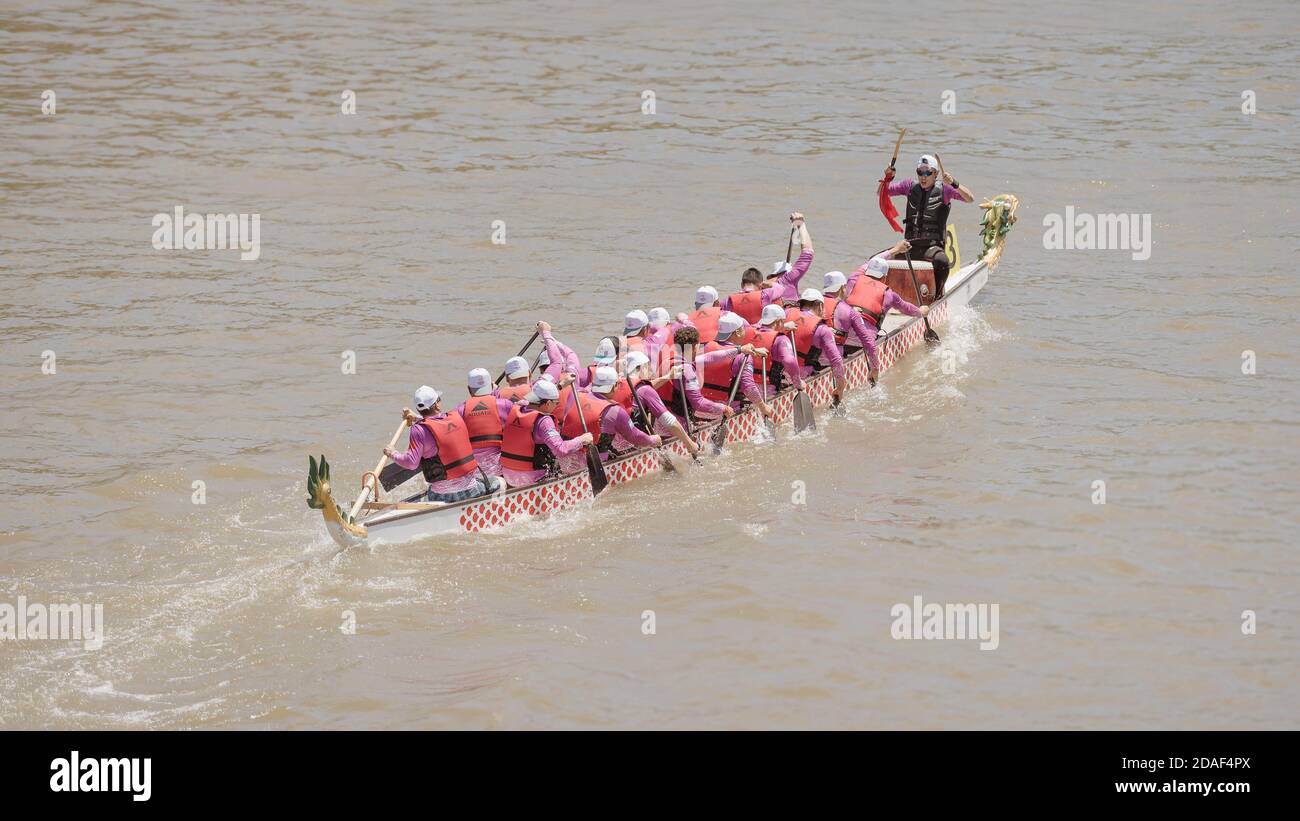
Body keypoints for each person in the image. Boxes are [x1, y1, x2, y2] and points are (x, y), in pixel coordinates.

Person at [878, 154, 973, 297]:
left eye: (927, 172)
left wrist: (953, 182)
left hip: (931, 247)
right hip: (909, 246)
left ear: (935, 174)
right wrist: (887, 178)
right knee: (878, 262)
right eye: (920, 172)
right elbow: (881, 193)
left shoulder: (945, 189)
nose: (923, 176)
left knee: (942, 261)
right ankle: (884, 299)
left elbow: (970, 198)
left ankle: (938, 297)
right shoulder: (909, 186)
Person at [385, 386, 501, 503]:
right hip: (471, 491)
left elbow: (411, 463)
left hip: (440, 496)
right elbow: (439, 424)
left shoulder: (418, 430)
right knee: (499, 482)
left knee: (429, 490)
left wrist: (392, 453)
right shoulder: (456, 417)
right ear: (436, 405)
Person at [838, 256, 929, 383]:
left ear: (867, 272)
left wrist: (894, 251)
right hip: (863, 344)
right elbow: (906, 308)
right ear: (885, 277)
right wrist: (921, 312)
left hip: (840, 340)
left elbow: (864, 265)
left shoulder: (853, 279)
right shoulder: (889, 294)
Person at [555, 366, 662, 471]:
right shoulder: (615, 411)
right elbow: (635, 437)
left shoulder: (574, 395)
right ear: (614, 385)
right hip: (596, 468)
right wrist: (653, 440)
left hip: (564, 464)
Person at [499, 378, 592, 488]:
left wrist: (560, 385)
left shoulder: (517, 406)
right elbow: (561, 449)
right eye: (556, 403)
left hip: (508, 475)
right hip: (531, 478)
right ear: (548, 403)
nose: (556, 405)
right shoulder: (544, 421)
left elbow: (533, 399)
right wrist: (582, 440)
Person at [624, 351, 700, 456]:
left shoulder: (619, 384)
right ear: (637, 368)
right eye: (647, 366)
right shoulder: (645, 390)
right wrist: (689, 444)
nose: (651, 370)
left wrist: (669, 376)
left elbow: (644, 388)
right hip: (635, 446)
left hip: (618, 446)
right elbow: (669, 421)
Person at [699, 311, 773, 420]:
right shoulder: (742, 357)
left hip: (701, 409)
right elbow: (749, 388)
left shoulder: (704, 348)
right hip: (728, 412)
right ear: (738, 332)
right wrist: (763, 407)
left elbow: (722, 353)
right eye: (743, 328)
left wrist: (755, 350)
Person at [786, 288, 847, 404]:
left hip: (782, 375)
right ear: (820, 306)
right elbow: (836, 360)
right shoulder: (822, 329)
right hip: (803, 377)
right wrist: (840, 387)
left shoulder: (787, 314)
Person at [454, 368, 516, 477]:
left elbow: (442, 424)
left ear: (469, 389)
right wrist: (496, 392)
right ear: (492, 386)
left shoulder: (460, 409)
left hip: (473, 472)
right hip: (501, 470)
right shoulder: (505, 405)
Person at [748, 303, 803, 397]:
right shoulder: (781, 339)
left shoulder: (748, 332)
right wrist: (798, 383)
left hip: (748, 389)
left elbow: (757, 327)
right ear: (778, 321)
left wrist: (784, 326)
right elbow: (789, 361)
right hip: (768, 391)